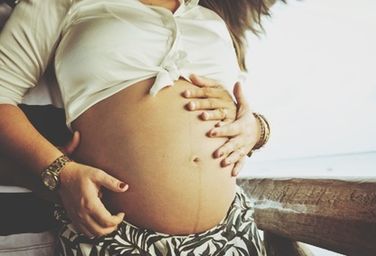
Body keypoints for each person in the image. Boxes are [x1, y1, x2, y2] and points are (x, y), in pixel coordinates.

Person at [0, 0, 271, 255]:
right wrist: (59, 170)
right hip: (115, 231)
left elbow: (236, 113)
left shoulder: (211, 21)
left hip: (231, 234)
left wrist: (256, 128)